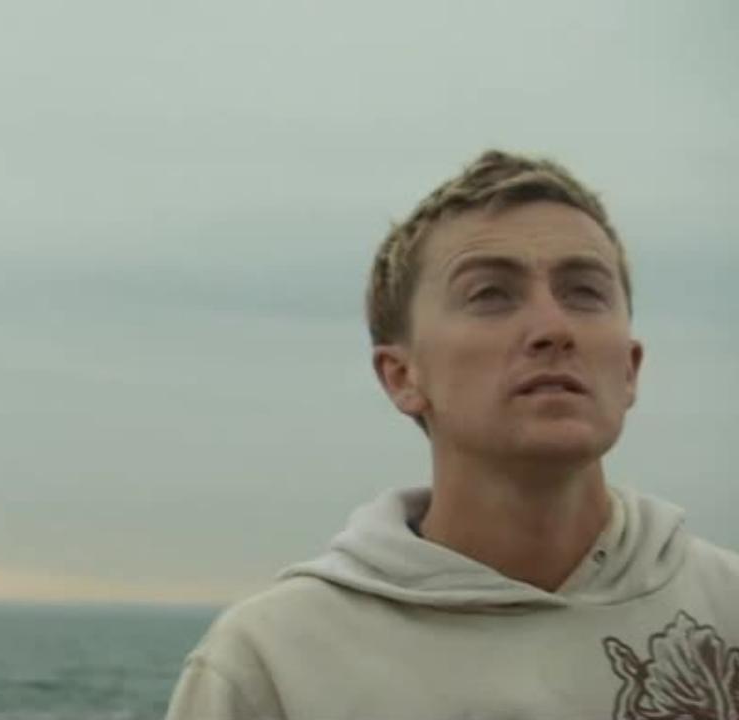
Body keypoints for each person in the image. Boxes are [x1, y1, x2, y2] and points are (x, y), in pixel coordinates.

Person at [164, 149, 739, 720]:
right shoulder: (273, 663)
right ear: (402, 376)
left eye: (584, 292)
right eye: (490, 294)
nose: (553, 328)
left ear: (630, 369)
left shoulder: (726, 608)